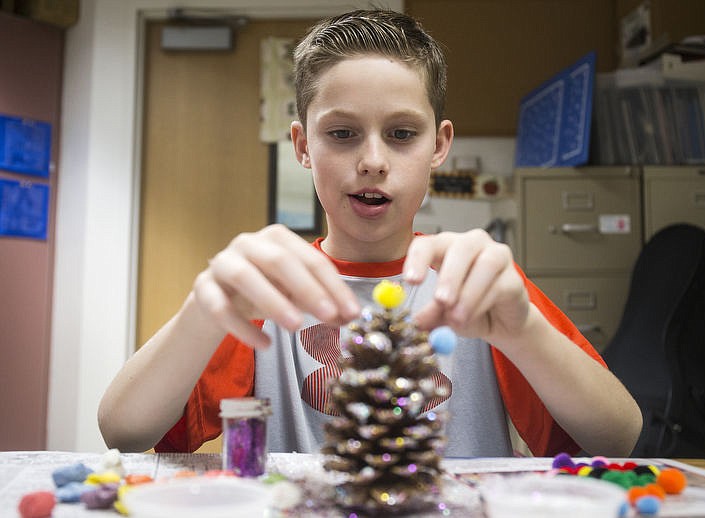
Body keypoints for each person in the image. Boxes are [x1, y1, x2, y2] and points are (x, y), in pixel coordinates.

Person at [98, 9, 641, 457]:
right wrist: (205, 305)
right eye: (342, 133)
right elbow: (124, 431)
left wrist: (524, 331)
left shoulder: (477, 284)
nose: (373, 161)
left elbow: (618, 437)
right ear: (303, 145)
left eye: (402, 134)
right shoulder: (267, 294)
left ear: (439, 145)